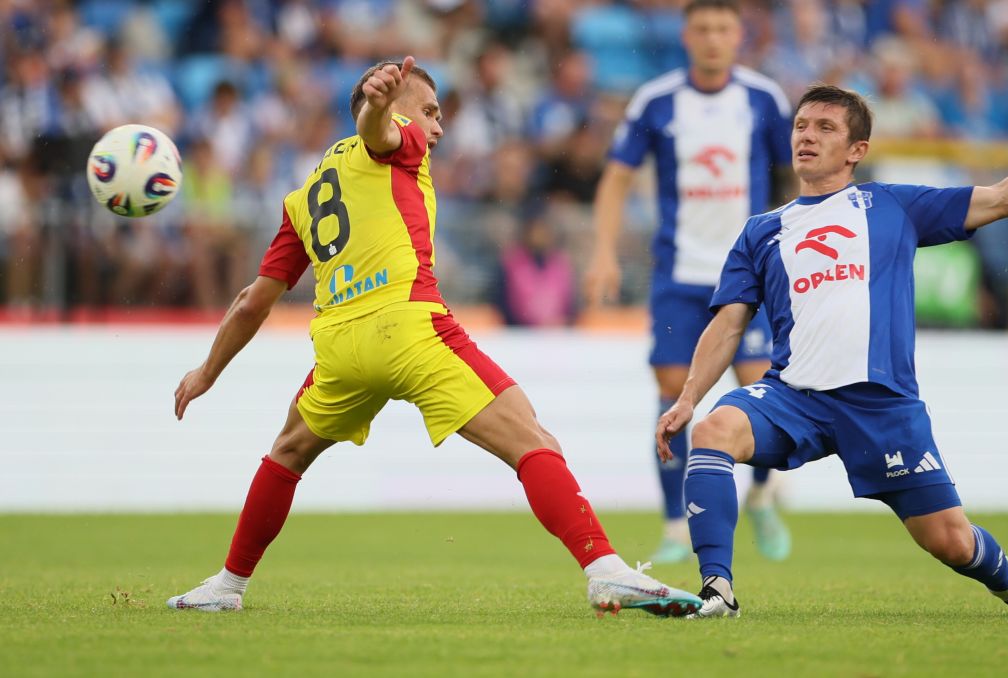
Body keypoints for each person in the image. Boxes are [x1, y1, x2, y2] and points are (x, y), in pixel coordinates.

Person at [166, 57, 701, 617]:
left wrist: (206, 372)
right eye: (429, 111)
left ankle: (227, 586)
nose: (438, 127)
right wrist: (379, 109)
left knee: (287, 453)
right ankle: (605, 570)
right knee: (533, 441)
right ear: (396, 110)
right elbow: (378, 133)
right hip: (409, 326)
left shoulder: (303, 198)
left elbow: (253, 301)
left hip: (340, 347)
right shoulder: (400, 141)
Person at [658, 70, 1008, 618]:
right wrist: (689, 397)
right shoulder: (761, 231)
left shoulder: (891, 206)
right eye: (801, 125)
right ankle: (717, 590)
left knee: (950, 541)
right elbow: (728, 325)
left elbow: (1006, 199)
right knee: (714, 429)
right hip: (793, 397)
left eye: (825, 127)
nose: (807, 135)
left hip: (881, 406)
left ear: (857, 150)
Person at [585, 0, 795, 564]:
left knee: (763, 389)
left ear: (739, 35)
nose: (712, 39)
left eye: (723, 29)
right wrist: (603, 252)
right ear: (686, 36)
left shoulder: (763, 99)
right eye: (702, 28)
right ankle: (676, 526)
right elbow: (616, 177)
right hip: (679, 275)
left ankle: (761, 495)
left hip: (749, 276)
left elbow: (796, 175)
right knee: (674, 393)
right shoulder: (656, 101)